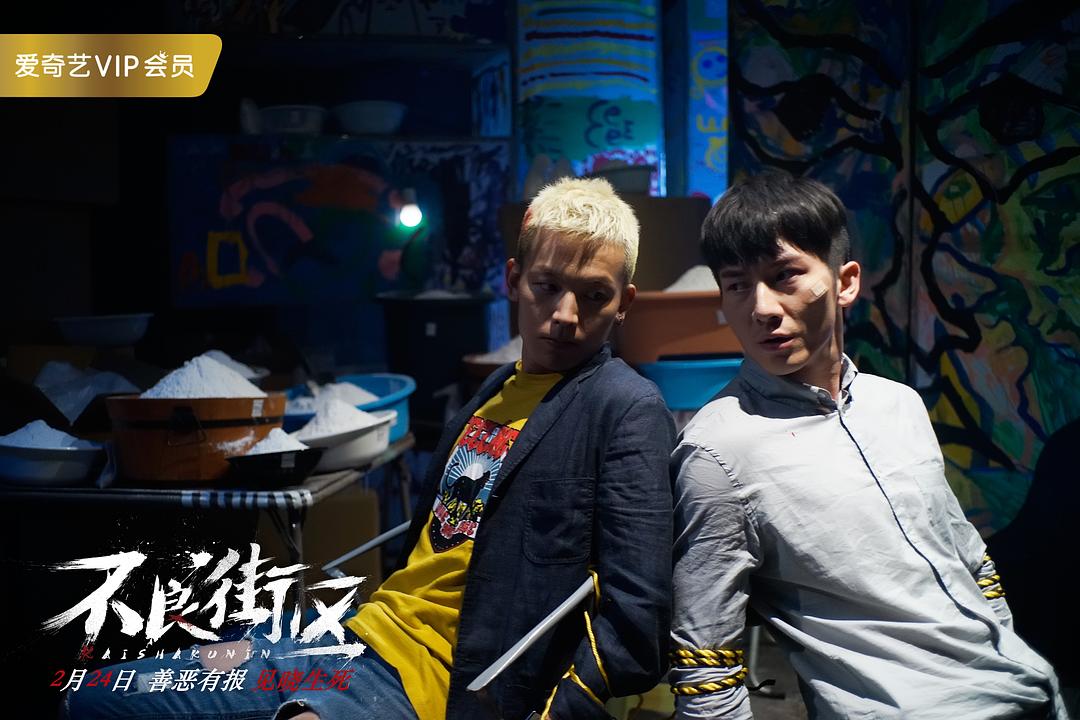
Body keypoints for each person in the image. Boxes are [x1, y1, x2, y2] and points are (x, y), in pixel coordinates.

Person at [67, 176, 675, 720]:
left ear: (625, 303)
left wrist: (557, 711)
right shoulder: (493, 391)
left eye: (594, 295)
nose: (565, 314)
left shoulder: (623, 408)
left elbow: (637, 619)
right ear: (514, 280)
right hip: (349, 636)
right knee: (92, 694)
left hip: (433, 681)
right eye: (547, 286)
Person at [669, 172, 1067, 719]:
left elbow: (969, 559)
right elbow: (705, 661)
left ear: (846, 282)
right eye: (737, 285)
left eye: (784, 275)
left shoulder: (898, 404)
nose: (761, 307)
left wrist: (1010, 648)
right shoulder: (719, 449)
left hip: (1031, 689)